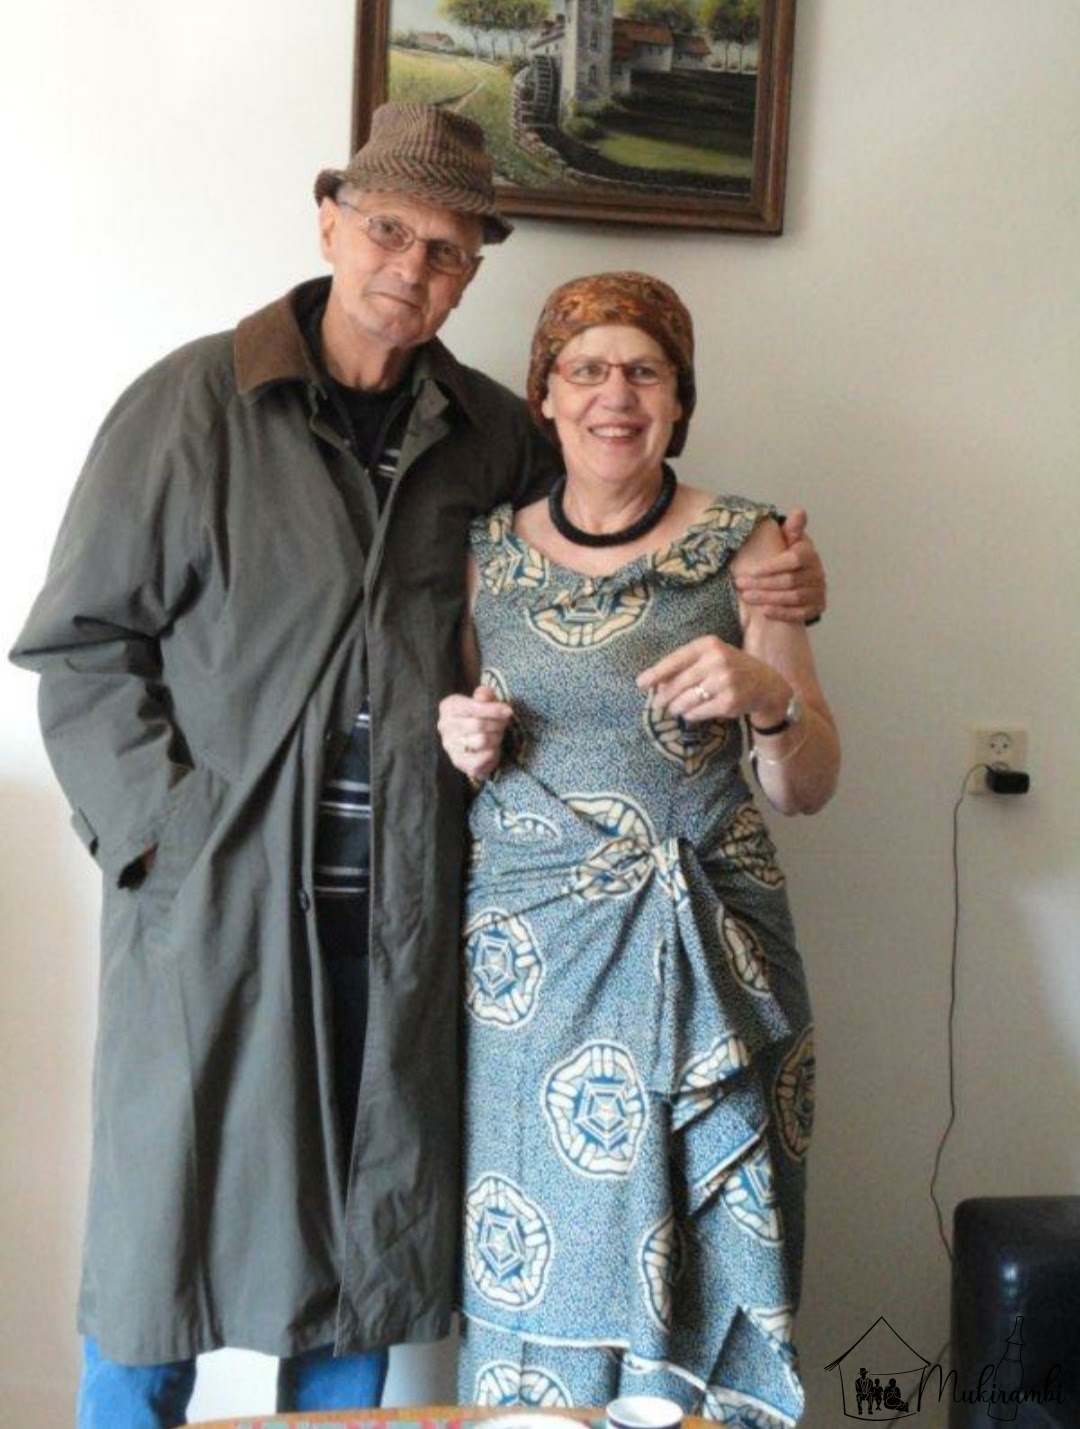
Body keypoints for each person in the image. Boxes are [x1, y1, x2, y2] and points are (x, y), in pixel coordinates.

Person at [11, 107, 825, 1429]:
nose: (411, 266)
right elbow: (83, 645)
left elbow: (603, 542)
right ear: (330, 221)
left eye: (447, 250)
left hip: (415, 911)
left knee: (362, 1247)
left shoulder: (490, 435)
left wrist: (776, 586)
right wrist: (162, 832)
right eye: (389, 230)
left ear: (470, 273)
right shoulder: (191, 406)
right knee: (162, 1239)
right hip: (215, 901)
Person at [438, 272, 840, 1424]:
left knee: (711, 1255)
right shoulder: (482, 553)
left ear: (680, 398)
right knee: (542, 1255)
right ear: (545, 396)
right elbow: (461, 736)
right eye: (587, 370)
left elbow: (808, 784)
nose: (615, 395)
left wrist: (768, 696)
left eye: (645, 371)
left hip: (709, 950)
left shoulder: (749, 545)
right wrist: (460, 741)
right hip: (532, 976)